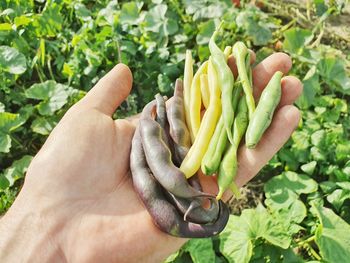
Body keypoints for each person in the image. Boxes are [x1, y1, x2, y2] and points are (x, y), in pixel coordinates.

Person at [0, 52, 302, 263]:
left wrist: (40, 234)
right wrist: (43, 222)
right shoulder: (153, 129)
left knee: (170, 150)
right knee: (159, 149)